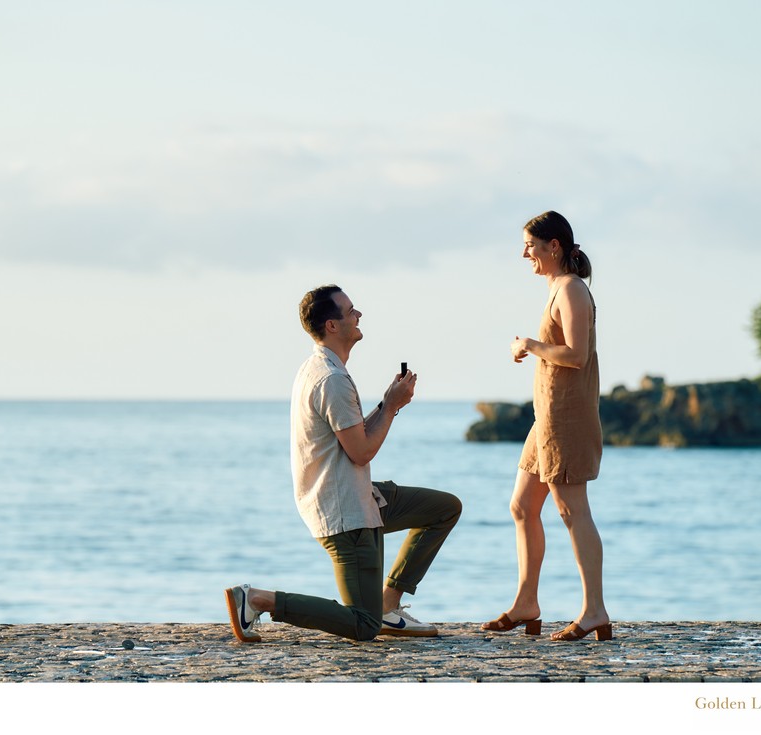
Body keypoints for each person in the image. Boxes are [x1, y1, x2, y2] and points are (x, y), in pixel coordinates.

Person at [225, 285, 462, 643]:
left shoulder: (320, 368)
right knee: (363, 625)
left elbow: (352, 439)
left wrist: (387, 403)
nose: (358, 315)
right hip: (345, 513)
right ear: (332, 325)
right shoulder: (331, 379)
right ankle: (258, 598)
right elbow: (361, 451)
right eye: (351, 310)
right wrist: (393, 406)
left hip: (360, 496)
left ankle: (388, 605)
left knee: (443, 509)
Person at [481, 210, 611, 641]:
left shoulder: (571, 289)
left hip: (566, 419)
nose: (525, 254)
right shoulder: (558, 288)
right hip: (547, 419)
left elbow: (576, 355)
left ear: (553, 246)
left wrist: (531, 345)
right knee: (522, 506)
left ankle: (594, 611)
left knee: (573, 511)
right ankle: (526, 603)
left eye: (530, 246)